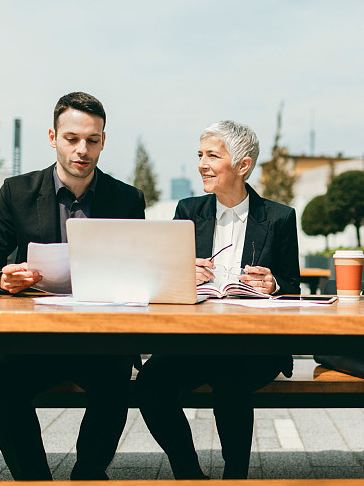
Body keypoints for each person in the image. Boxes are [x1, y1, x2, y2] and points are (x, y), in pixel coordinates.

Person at [0, 91, 146, 480]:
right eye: (72, 139)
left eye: (93, 140)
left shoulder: (127, 199)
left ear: (103, 141)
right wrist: (3, 278)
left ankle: (86, 476)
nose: (82, 149)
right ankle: (35, 480)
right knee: (3, 390)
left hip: (100, 339)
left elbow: (139, 271)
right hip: (32, 339)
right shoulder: (16, 192)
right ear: (53, 137)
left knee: (117, 384)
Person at [135, 120, 299, 480]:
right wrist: (180, 273)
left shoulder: (279, 217)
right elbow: (161, 282)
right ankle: (189, 474)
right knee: (148, 385)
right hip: (194, 341)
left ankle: (235, 476)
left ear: (243, 165)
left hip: (256, 344)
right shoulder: (188, 211)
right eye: (199, 155)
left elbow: (292, 285)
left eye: (212, 155)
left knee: (231, 377)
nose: (202, 164)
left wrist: (273, 284)